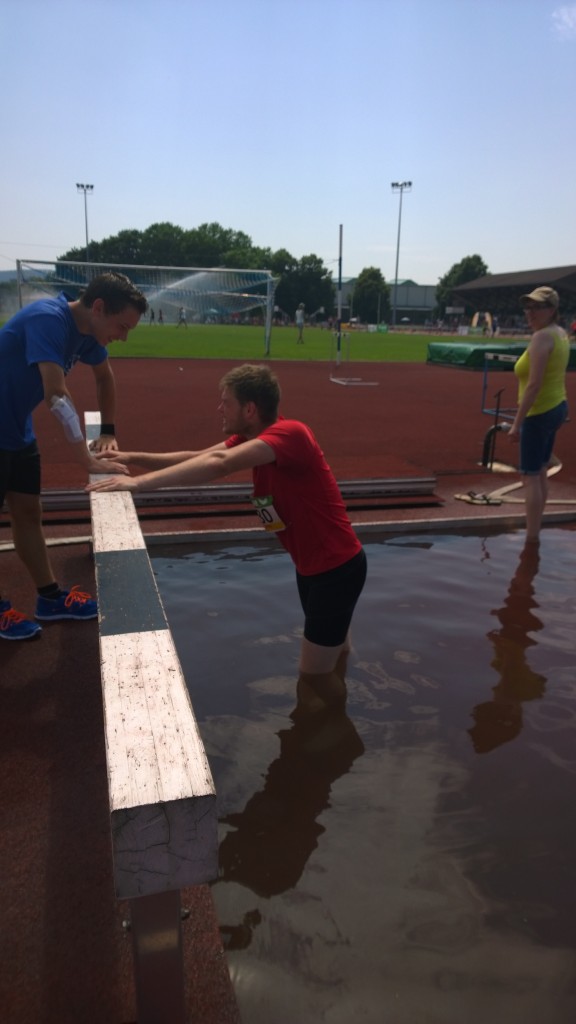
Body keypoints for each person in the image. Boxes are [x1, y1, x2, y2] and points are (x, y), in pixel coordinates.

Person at [87, 364, 367, 714]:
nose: (220, 409)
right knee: (335, 652)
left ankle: (333, 734)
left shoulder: (290, 434)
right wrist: (130, 458)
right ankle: (343, 705)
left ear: (250, 409)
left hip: (334, 570)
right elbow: (199, 458)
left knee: (311, 676)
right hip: (316, 568)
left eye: (226, 403)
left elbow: (219, 464)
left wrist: (138, 484)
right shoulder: (252, 439)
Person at [0, 272, 147, 641]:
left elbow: (104, 376)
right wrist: (87, 460)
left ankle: (49, 599)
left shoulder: (86, 333)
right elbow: (57, 397)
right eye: (122, 325)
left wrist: (108, 431)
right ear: (98, 307)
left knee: (28, 514)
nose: (124, 336)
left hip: (15, 430)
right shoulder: (48, 319)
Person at [508, 286, 569, 543]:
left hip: (539, 411)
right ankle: (537, 527)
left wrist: (516, 424)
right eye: (528, 307)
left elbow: (533, 384)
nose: (530, 313)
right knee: (542, 469)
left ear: (552, 310)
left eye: (537, 307)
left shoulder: (542, 338)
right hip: (557, 406)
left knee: (530, 476)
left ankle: (531, 538)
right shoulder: (560, 334)